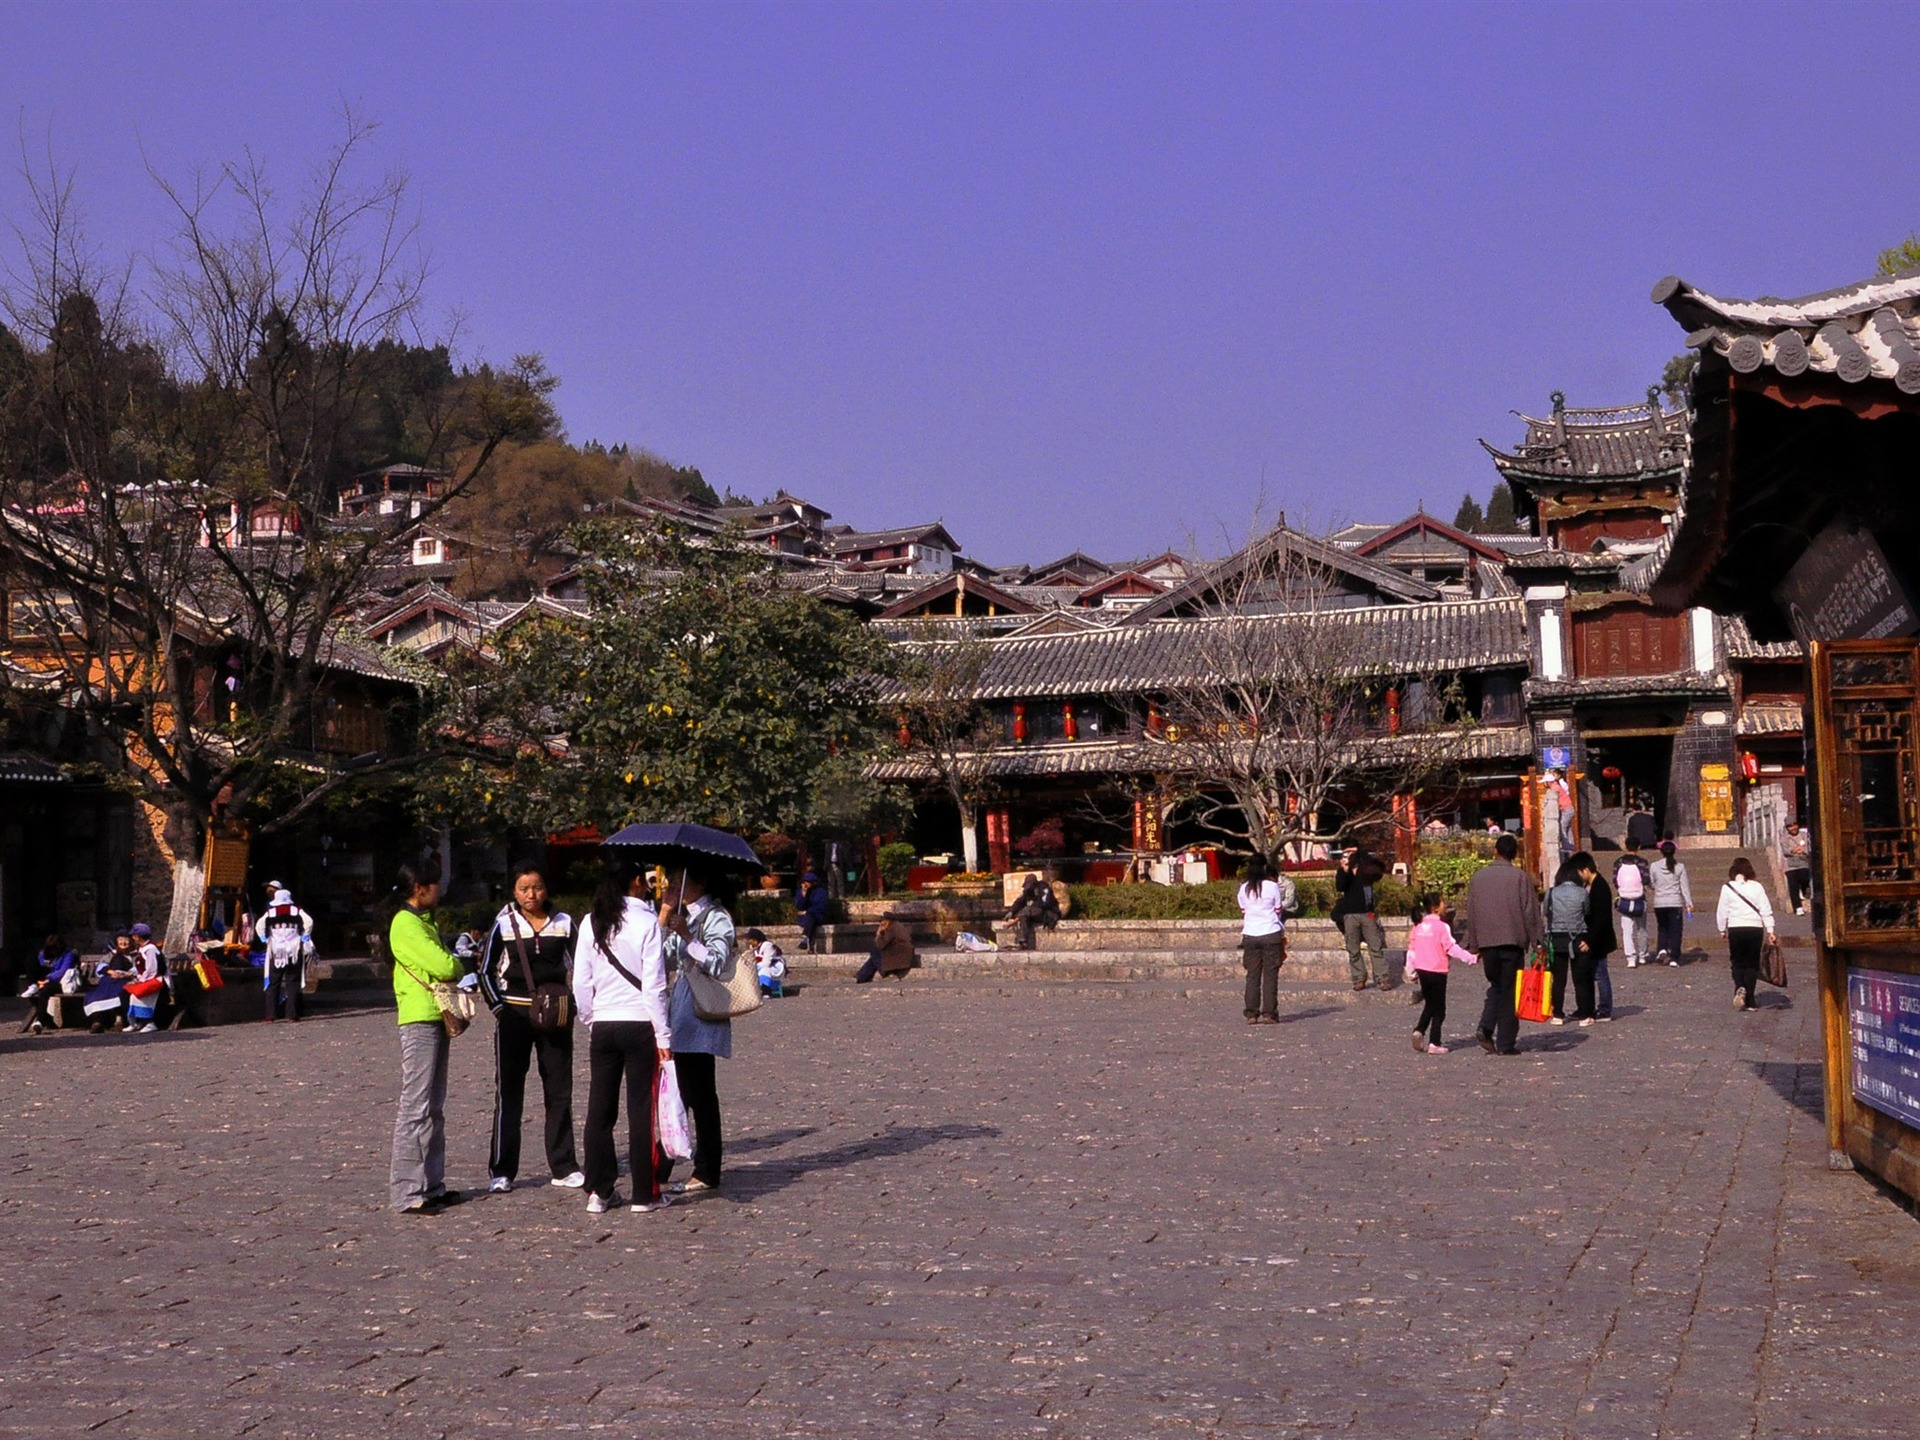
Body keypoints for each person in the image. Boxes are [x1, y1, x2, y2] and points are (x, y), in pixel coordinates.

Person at [573, 854, 674, 1215]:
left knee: (599, 1109)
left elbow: (581, 982)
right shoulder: (646, 922)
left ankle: (598, 1191)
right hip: (639, 1024)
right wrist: (664, 1036)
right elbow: (655, 986)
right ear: (634, 882)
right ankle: (644, 1193)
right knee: (641, 1110)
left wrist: (591, 1018)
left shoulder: (591, 921)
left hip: (603, 1024)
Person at [476, 867, 584, 1194]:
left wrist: (575, 1003)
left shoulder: (565, 923)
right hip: (514, 1017)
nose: (531, 894)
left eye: (537, 887)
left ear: (546, 889)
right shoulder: (503, 926)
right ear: (514, 891)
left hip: (555, 1017)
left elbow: (582, 968)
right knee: (509, 1093)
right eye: (524, 888)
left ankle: (564, 1166)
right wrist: (498, 1008)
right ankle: (502, 1169)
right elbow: (484, 971)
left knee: (559, 1090)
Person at [386, 857, 469, 1216]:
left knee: (435, 1108)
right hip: (418, 1018)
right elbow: (444, 965)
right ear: (420, 888)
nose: (440, 890)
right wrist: (458, 962)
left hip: (436, 1015)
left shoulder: (425, 922)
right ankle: (406, 1192)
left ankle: (432, 1185)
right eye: (435, 884)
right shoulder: (405, 924)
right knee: (415, 1108)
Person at [658, 865, 737, 1197]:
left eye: (679, 881)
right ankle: (663, 1161)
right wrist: (664, 918)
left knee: (700, 1093)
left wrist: (689, 937)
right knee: (678, 1089)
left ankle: (707, 1168)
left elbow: (718, 961)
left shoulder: (716, 917)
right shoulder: (683, 917)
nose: (674, 886)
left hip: (702, 1011)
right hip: (679, 1011)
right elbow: (659, 958)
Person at [1462, 831, 1544, 1056]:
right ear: (1514, 854)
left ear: (1495, 851)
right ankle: (1506, 1042)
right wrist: (1538, 941)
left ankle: (1486, 1027)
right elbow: (1530, 912)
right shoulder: (1520, 877)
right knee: (1509, 991)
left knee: (1496, 986)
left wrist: (1473, 943)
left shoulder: (1477, 878)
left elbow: (1472, 913)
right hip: (1512, 942)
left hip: (1488, 943)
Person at [1407, 892, 1477, 1054]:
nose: (1445, 905)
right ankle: (1434, 1042)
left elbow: (1412, 951)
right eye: (1442, 902)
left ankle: (1419, 1031)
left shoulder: (1418, 926)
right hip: (1437, 970)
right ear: (1436, 908)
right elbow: (1451, 948)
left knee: (1430, 1004)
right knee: (1439, 1008)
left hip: (1422, 970)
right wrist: (1470, 958)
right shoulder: (1442, 927)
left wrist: (1411, 972)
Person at [1237, 855, 1295, 1024]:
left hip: (1250, 934)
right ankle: (1269, 1012)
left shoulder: (1244, 888)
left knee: (1252, 975)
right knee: (1270, 975)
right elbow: (1278, 909)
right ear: (1264, 868)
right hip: (1271, 932)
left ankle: (1251, 1013)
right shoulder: (1272, 886)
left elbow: (1243, 910)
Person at [1715, 858, 1776, 1012]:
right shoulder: (1757, 887)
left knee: (1737, 961)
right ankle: (1750, 1000)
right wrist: (1770, 930)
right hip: (1754, 928)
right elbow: (1765, 908)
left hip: (1736, 928)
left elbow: (1722, 910)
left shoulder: (1727, 887)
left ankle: (1740, 986)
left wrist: (1722, 929)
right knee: (1752, 963)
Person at [1332, 846, 1389, 991]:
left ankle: (1382, 977)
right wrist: (1345, 870)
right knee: (1353, 949)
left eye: (1350, 856)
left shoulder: (1366, 871)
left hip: (1367, 913)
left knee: (1375, 947)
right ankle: (1358, 978)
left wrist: (1356, 849)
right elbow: (1340, 887)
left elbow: (1374, 865)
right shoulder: (1344, 873)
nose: (1348, 859)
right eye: (1345, 856)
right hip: (1350, 915)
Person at [1572, 851, 1618, 1024]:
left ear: (1585, 870)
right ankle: (1594, 1007)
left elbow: (1601, 918)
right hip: (1596, 937)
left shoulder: (1600, 887)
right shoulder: (1592, 886)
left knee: (1601, 974)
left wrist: (1590, 940)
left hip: (1600, 939)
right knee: (1595, 973)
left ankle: (1605, 1008)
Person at [1542, 859, 1589, 1025]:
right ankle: (1584, 1014)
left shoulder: (1551, 892)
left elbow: (1546, 911)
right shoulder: (1582, 892)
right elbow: (1587, 912)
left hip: (1556, 937)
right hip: (1578, 937)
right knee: (1580, 979)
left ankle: (1558, 1014)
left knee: (1558, 979)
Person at [259, 886, 315, 1023]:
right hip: (293, 949)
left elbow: (259, 924)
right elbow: (309, 921)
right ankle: (292, 1014)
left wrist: (263, 937)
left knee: (273, 983)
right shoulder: (296, 910)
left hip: (276, 950)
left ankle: (270, 1015)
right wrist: (305, 935)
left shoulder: (271, 912)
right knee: (293, 982)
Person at [20, 934, 80, 1034]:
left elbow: (64, 971)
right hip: (43, 978)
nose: (53, 952)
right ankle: (33, 985)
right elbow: (38, 965)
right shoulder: (44, 953)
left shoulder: (68, 955)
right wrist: (38, 981)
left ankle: (40, 1021)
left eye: (55, 949)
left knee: (45, 991)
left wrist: (48, 979)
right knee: (31, 959)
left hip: (60, 981)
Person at [1649, 841, 1693, 965]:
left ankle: (1662, 949)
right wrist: (1688, 902)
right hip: (1675, 902)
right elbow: (1684, 886)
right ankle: (1674, 956)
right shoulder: (1680, 867)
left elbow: (1652, 883)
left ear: (1661, 852)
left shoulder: (1654, 866)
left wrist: (1657, 887)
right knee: (1675, 930)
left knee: (1662, 928)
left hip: (1659, 902)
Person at [84, 931, 138, 1033]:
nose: (123, 942)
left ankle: (119, 1019)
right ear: (117, 941)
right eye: (120, 939)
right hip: (109, 979)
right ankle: (98, 1022)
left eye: (126, 940)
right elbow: (101, 966)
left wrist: (126, 974)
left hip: (125, 979)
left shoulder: (135, 955)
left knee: (120, 992)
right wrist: (110, 971)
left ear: (131, 941)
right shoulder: (111, 954)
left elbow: (138, 968)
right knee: (97, 995)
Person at [1613, 841, 1652, 968]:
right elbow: (1646, 879)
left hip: (1624, 900)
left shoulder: (1618, 862)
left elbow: (1615, 881)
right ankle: (1642, 955)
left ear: (1625, 846)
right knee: (1641, 928)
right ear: (1638, 847)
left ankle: (1630, 957)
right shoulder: (1642, 862)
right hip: (1640, 899)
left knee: (1627, 930)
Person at [1003, 872, 1062, 951]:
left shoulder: (1044, 888)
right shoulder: (1027, 891)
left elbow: (1045, 903)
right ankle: (1023, 940)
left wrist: (1033, 905)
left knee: (1026, 910)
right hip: (1032, 913)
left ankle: (1013, 924)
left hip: (1046, 914)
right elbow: (1019, 901)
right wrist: (1012, 911)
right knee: (1024, 915)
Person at [856, 913, 917, 983]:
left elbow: (880, 945)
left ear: (887, 921)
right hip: (903, 956)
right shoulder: (898, 926)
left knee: (875, 952)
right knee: (873, 958)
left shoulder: (891, 928)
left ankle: (884, 973)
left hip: (900, 958)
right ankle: (861, 976)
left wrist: (879, 934)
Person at [1780, 821, 1813, 916]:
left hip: (1804, 863)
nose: (1793, 828)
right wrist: (1796, 850)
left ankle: (1804, 891)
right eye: (1790, 826)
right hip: (1790, 866)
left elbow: (1808, 847)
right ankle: (1798, 907)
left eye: (1794, 825)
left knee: (1805, 877)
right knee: (1793, 885)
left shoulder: (1804, 835)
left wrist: (1801, 850)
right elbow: (1786, 851)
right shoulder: (1784, 838)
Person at [744, 928, 786, 997]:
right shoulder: (753, 948)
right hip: (759, 967)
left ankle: (766, 991)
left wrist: (756, 967)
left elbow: (766, 963)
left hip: (774, 968)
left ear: (755, 938)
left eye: (750, 939)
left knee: (764, 970)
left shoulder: (767, 946)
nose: (748, 941)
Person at [794, 871, 830, 952]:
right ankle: (809, 945)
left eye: (808, 882)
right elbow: (800, 907)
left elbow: (821, 906)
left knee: (811, 917)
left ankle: (805, 940)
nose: (805, 884)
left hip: (818, 915)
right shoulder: (800, 891)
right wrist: (803, 894)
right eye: (804, 882)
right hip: (806, 918)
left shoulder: (821, 892)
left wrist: (807, 912)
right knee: (811, 922)